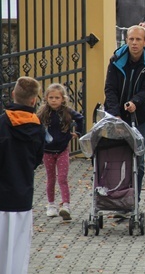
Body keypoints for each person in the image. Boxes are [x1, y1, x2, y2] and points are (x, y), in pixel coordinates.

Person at [104, 25, 145, 200]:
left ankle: (134, 200)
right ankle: (115, 197)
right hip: (115, 114)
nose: (134, 43)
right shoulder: (116, 59)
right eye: (131, 39)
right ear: (126, 40)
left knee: (138, 161)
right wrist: (115, 114)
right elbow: (109, 89)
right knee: (115, 158)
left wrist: (135, 102)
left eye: (138, 39)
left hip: (138, 116)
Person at [0, 77, 45, 274]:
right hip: (23, 195)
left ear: (13, 95)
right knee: (18, 250)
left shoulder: (2, 123)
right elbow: (37, 159)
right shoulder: (38, 129)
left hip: (1, 195)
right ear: (34, 101)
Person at [37, 83, 84, 221]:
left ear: (63, 99)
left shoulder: (67, 111)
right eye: (51, 97)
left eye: (57, 97)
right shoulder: (43, 113)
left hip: (62, 150)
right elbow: (36, 124)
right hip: (47, 151)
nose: (53, 100)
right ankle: (51, 205)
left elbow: (80, 118)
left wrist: (77, 133)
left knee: (62, 178)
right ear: (46, 98)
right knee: (50, 178)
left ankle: (66, 205)